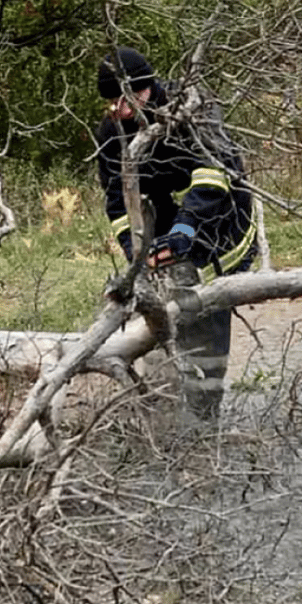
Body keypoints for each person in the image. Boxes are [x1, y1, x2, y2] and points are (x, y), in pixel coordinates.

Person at [93, 47, 257, 420]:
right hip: (165, 228)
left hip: (220, 223)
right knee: (160, 318)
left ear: (148, 86)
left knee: (206, 312)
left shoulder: (192, 109)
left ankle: (204, 413)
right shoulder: (111, 134)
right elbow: (118, 202)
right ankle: (166, 410)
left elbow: (215, 173)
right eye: (112, 102)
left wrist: (188, 225)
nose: (120, 109)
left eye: (128, 98)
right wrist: (135, 250)